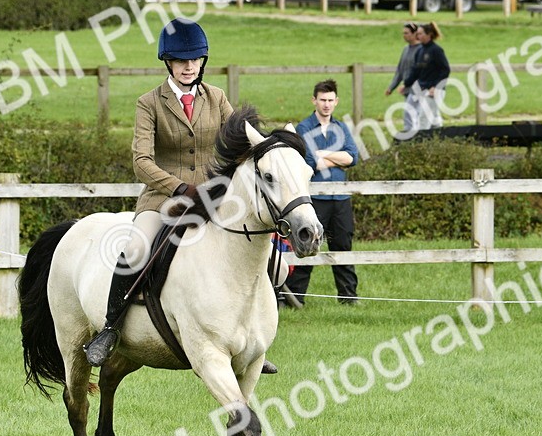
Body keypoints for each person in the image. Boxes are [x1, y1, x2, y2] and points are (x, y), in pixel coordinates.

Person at [83, 19, 278, 373]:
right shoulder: (149, 103)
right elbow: (141, 161)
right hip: (163, 199)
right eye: (181, 60)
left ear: (202, 61)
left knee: (255, 247)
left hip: (215, 200)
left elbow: (240, 141)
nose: (189, 67)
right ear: (167, 62)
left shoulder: (217, 98)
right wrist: (177, 187)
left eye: (195, 60)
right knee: (136, 247)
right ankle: (111, 328)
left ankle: (250, 337)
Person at [284, 79, 360, 306]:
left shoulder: (341, 127)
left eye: (330, 100)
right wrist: (337, 158)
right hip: (315, 199)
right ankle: (295, 299)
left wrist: (323, 154)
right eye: (322, 100)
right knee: (307, 246)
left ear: (336, 102)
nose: (326, 104)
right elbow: (309, 163)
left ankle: (348, 298)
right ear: (314, 100)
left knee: (344, 247)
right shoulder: (304, 128)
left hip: (341, 199)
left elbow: (353, 157)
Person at [403, 21, 450, 135]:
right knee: (433, 120)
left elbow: (445, 70)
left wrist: (436, 87)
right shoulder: (420, 50)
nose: (418, 36)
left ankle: (421, 147)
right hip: (422, 88)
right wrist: (406, 83)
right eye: (417, 34)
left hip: (433, 90)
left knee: (424, 120)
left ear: (429, 35)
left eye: (420, 34)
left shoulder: (436, 50)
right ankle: (441, 141)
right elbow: (416, 70)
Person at [385, 22, 422, 134]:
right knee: (411, 114)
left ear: (415, 33)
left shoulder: (421, 49)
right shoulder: (406, 49)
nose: (404, 35)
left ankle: (411, 136)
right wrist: (391, 87)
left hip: (419, 89)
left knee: (412, 114)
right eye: (403, 33)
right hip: (407, 89)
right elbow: (400, 70)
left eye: (406, 33)